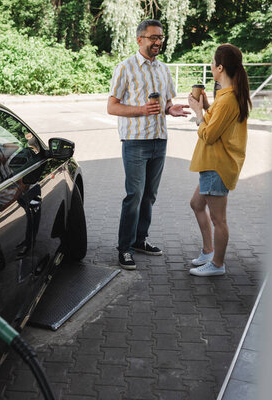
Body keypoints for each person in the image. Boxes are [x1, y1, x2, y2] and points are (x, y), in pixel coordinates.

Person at [108, 19, 190, 270]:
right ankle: (124, 248)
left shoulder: (163, 69)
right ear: (139, 39)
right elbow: (112, 107)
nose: (158, 42)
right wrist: (141, 110)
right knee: (134, 195)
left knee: (150, 196)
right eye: (153, 37)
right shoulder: (125, 68)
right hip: (135, 141)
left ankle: (140, 240)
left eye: (161, 37)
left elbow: (164, 103)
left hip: (160, 140)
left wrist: (170, 108)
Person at [187, 44, 251, 276]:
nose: (211, 67)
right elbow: (217, 122)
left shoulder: (228, 100)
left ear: (221, 67)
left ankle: (217, 264)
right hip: (212, 164)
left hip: (218, 165)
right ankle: (208, 251)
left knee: (218, 219)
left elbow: (210, 134)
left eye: (213, 63)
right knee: (196, 204)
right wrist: (205, 107)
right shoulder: (226, 96)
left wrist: (197, 113)